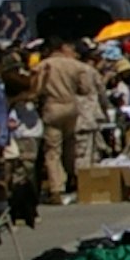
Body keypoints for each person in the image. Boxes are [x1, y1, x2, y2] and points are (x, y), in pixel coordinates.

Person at [36, 36, 102, 205]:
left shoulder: (43, 65)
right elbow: (85, 89)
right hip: (71, 107)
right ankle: (74, 179)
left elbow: (37, 89)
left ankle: (56, 187)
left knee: (53, 151)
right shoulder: (77, 66)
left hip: (52, 107)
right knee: (70, 146)